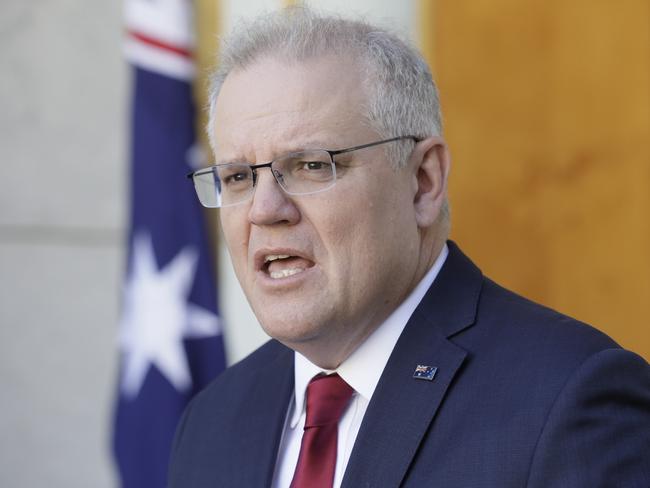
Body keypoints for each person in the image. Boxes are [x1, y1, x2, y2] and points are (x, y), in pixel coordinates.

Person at [171, 8, 650, 487]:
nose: (263, 210)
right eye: (237, 177)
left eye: (311, 166)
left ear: (423, 182)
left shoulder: (569, 399)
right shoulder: (212, 421)